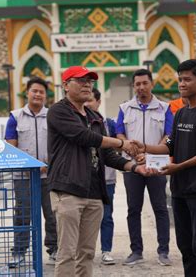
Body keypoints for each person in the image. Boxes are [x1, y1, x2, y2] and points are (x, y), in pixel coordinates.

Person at [47, 66, 146, 277]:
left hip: (93, 192)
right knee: (67, 253)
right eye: (80, 80)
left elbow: (107, 155)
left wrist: (135, 167)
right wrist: (123, 143)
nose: (87, 85)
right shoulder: (59, 111)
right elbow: (84, 137)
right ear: (65, 85)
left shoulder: (95, 116)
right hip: (69, 190)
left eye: (90, 81)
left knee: (87, 253)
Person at [133, 59, 196, 276]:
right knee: (185, 246)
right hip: (180, 189)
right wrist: (145, 147)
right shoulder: (182, 113)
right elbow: (170, 145)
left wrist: (179, 167)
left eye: (187, 79)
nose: (181, 84)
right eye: (180, 79)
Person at [116, 68, 173, 266]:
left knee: (160, 208)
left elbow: (168, 135)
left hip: (156, 164)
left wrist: (150, 153)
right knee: (133, 209)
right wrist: (133, 151)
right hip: (132, 165)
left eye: (145, 83)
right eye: (137, 84)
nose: (141, 87)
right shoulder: (124, 108)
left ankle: (163, 251)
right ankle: (136, 251)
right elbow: (119, 134)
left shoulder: (165, 108)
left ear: (152, 84)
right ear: (134, 86)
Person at [5, 77, 58, 268]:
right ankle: (19, 252)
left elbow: (58, 146)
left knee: (52, 215)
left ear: (45, 95)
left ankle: (54, 250)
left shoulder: (52, 116)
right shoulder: (15, 116)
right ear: (27, 93)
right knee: (22, 214)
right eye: (34, 91)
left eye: (41, 92)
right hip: (23, 177)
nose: (37, 94)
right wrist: (31, 165)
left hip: (49, 176)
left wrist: (48, 165)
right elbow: (11, 147)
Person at [85, 88, 118, 265]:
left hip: (107, 179)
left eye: (90, 100)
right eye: (85, 101)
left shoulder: (109, 124)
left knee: (106, 216)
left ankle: (106, 250)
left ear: (98, 102)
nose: (87, 104)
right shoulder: (79, 122)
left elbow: (113, 150)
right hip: (85, 179)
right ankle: (84, 252)